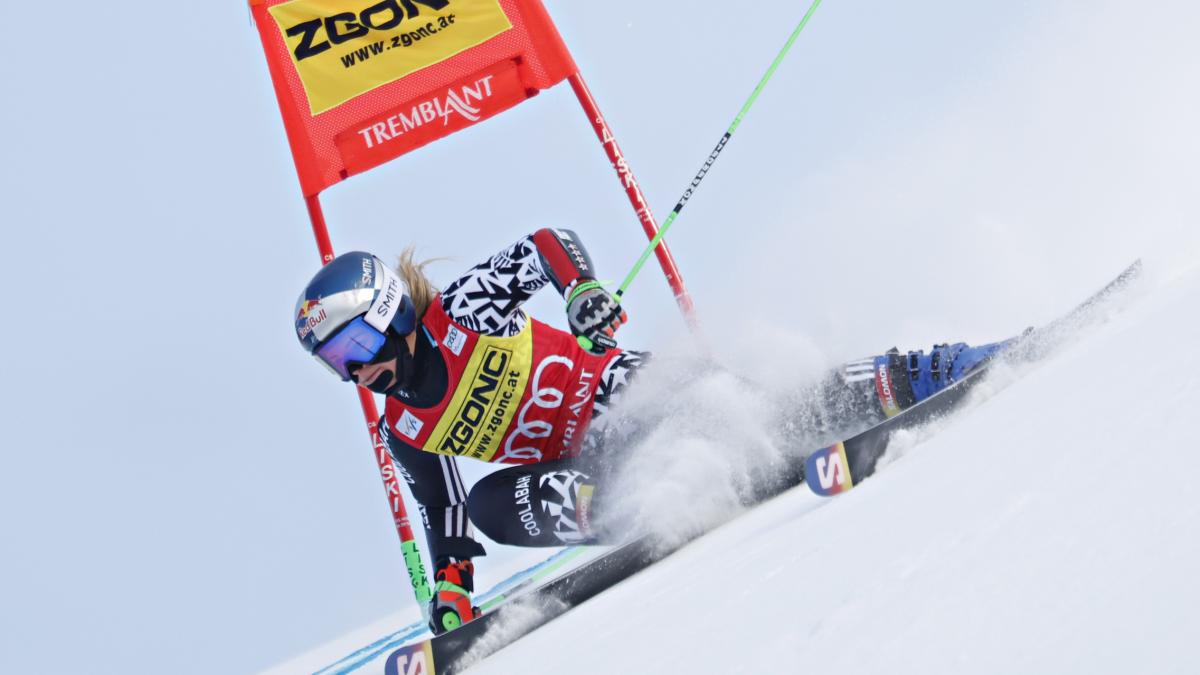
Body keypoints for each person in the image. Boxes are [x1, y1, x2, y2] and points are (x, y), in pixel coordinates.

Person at [293, 228, 1010, 633]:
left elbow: (547, 244)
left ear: (390, 313)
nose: (356, 371)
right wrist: (451, 592)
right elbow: (446, 518)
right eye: (336, 364)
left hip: (631, 400)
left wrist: (581, 293)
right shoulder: (407, 429)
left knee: (757, 405)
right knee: (488, 504)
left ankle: (928, 371)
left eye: (355, 346)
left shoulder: (464, 314)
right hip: (588, 474)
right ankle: (651, 502)